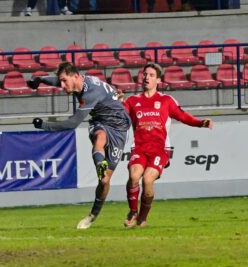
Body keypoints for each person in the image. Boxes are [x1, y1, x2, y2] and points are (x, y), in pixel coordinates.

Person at [29, 62, 131, 229]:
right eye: (61, 81)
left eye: (64, 81)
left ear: (75, 76)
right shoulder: (78, 82)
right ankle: (100, 164)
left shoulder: (90, 93)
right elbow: (55, 80)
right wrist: (39, 80)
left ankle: (93, 215)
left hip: (119, 127)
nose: (62, 86)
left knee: (104, 181)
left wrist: (44, 126)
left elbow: (72, 123)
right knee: (100, 136)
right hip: (100, 121)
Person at [121, 63, 213, 228]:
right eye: (145, 74)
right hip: (139, 147)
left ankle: (142, 218)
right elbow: (120, 116)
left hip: (159, 149)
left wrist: (201, 123)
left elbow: (183, 116)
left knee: (147, 180)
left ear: (158, 80)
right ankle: (132, 211)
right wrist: (118, 103)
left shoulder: (165, 101)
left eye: (151, 75)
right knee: (134, 176)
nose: (146, 77)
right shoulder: (133, 100)